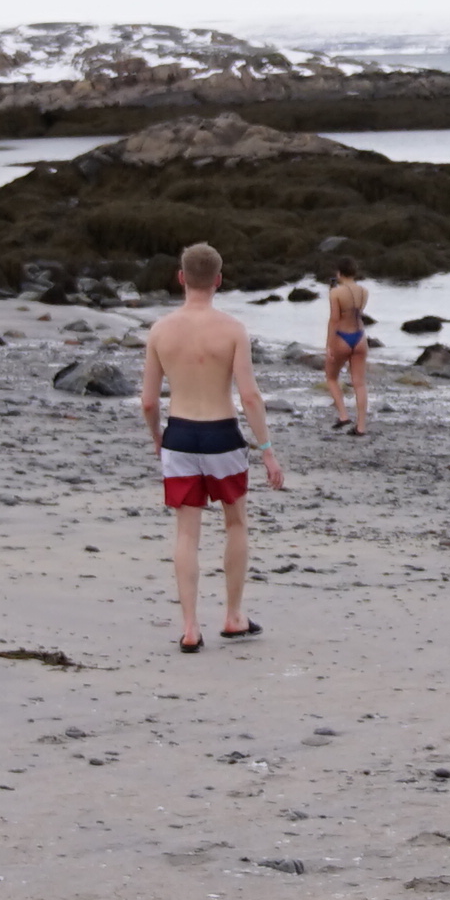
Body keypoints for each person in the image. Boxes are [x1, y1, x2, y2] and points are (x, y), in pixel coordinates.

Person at [140, 239, 284, 650]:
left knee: (187, 533)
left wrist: (158, 437)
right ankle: (234, 616)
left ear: (181, 278)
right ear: (218, 280)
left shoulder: (160, 330)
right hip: (222, 434)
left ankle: (190, 628)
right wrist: (267, 450)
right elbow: (250, 396)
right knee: (235, 522)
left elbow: (149, 400)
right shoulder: (233, 329)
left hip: (181, 434)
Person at [319, 252, 378, 436]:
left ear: (339, 273)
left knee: (331, 377)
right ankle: (361, 427)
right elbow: (357, 312)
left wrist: (329, 344)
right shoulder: (364, 291)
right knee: (359, 383)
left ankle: (343, 415)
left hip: (342, 337)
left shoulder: (335, 293)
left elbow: (335, 320)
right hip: (360, 337)